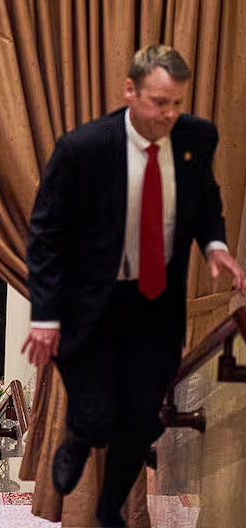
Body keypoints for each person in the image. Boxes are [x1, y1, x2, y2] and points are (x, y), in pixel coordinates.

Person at [22, 45, 245, 527]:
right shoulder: (82, 149)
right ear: (130, 91)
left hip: (156, 303)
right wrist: (45, 316)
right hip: (92, 303)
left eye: (177, 103)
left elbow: (206, 197)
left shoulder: (196, 137)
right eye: (159, 102)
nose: (169, 115)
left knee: (144, 416)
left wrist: (214, 245)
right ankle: (78, 440)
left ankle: (111, 508)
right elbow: (45, 234)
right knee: (97, 410)